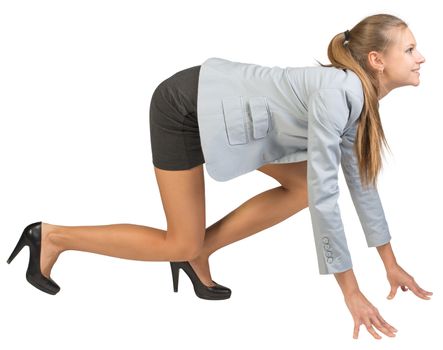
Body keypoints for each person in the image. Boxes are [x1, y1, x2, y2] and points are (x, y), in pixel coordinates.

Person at [7, 13, 432, 339]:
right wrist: (350, 291)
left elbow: (360, 184)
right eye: (410, 50)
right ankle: (53, 236)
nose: (421, 57)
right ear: (377, 60)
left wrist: (390, 266)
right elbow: (326, 194)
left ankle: (197, 254)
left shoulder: (354, 97)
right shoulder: (338, 95)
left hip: (233, 115)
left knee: (298, 188)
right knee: (181, 239)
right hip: (186, 109)